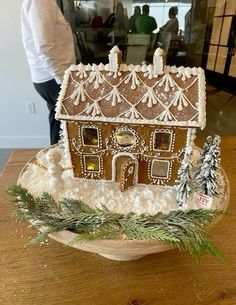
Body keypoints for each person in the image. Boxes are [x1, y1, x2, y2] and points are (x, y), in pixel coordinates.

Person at [21, 0, 76, 145]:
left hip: (49, 76)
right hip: (53, 77)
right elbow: (44, 46)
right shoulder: (40, 1)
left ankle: (56, 163)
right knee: (65, 125)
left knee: (59, 121)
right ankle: (61, 162)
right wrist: (62, 78)